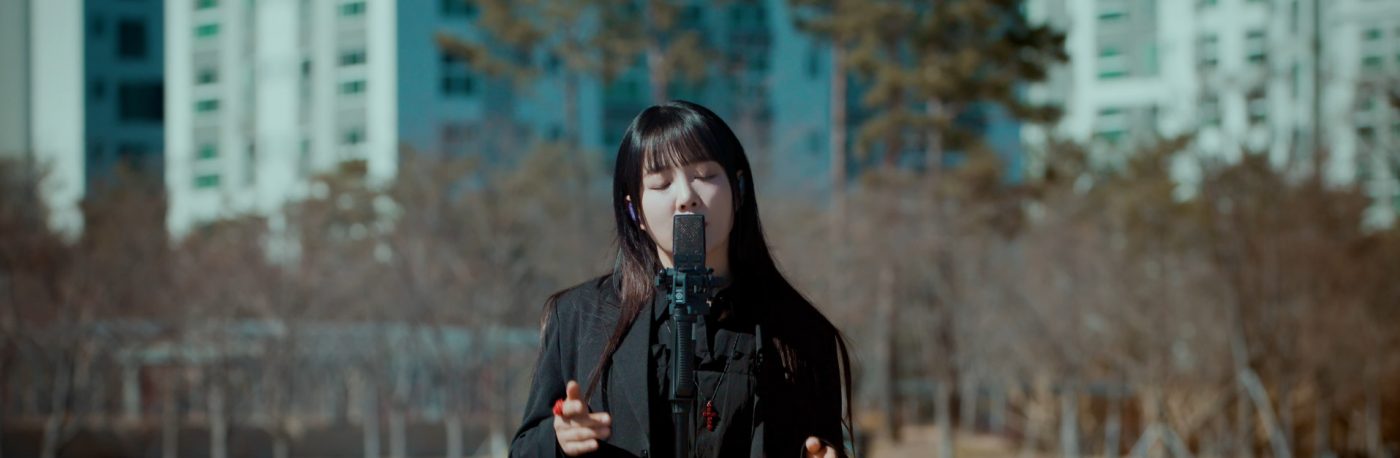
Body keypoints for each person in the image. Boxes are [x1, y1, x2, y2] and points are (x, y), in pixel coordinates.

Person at [510, 100, 853, 457]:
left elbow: (820, 444)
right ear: (634, 211)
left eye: (705, 176)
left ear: (738, 189)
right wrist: (559, 439)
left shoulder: (801, 331)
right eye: (661, 183)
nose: (686, 198)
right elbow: (522, 450)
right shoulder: (580, 318)